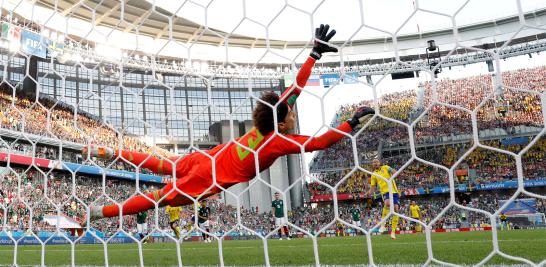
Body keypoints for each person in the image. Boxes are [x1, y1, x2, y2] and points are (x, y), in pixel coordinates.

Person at [82, 24, 375, 224]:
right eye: (291, 115)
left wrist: (314, 54)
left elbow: (295, 88)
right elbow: (320, 143)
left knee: (163, 164)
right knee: (156, 198)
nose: (294, 114)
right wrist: (351, 123)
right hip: (210, 177)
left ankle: (109, 153)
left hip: (210, 157)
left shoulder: (267, 124)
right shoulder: (277, 140)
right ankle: (101, 211)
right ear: (282, 123)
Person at [368, 158, 399, 239]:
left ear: (379, 163)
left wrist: (393, 176)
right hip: (385, 192)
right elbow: (373, 187)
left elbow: (395, 172)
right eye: (373, 162)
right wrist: (369, 193)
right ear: (372, 164)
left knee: (396, 210)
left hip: (394, 191)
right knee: (387, 203)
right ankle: (382, 225)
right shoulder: (374, 174)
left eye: (376, 162)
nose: (375, 163)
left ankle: (393, 231)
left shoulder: (385, 167)